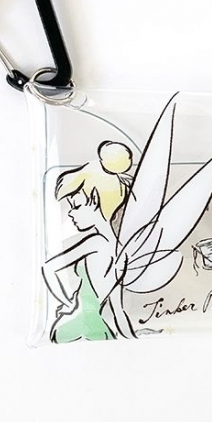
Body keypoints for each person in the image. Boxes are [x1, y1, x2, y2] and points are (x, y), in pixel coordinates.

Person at [42, 141, 135, 343]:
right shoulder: (120, 251)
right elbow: (118, 310)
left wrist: (69, 304)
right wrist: (133, 337)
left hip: (79, 325)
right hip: (97, 327)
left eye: (76, 206)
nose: (70, 213)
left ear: (95, 200)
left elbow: (49, 268)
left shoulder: (96, 243)